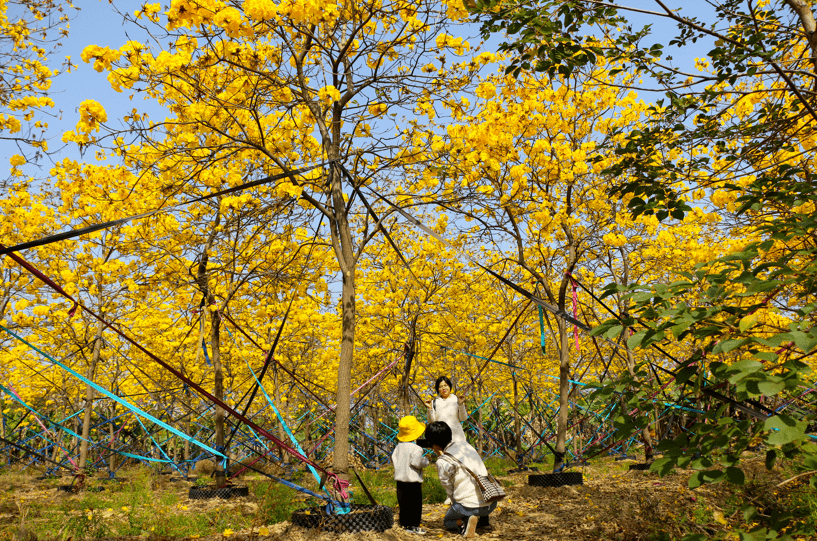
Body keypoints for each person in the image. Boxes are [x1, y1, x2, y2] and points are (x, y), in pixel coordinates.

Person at [425, 421, 497, 538]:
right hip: (491, 502)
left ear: (436, 446)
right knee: (475, 492)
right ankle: (483, 521)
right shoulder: (466, 446)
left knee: (447, 521)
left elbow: (449, 489)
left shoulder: (442, 461)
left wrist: (455, 505)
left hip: (469, 507)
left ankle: (464, 523)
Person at [391, 415, 431, 535]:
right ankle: (413, 526)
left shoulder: (398, 447)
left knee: (404, 504)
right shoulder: (417, 449)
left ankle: (404, 524)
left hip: (400, 481)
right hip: (413, 482)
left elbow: (394, 460)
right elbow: (417, 462)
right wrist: (427, 460)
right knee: (415, 505)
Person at [424, 376, 468, 443]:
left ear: (450, 386)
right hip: (441, 439)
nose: (443, 388)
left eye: (446, 385)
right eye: (440, 386)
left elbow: (463, 418)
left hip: (458, 439)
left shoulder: (456, 400)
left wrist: (461, 405)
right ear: (438, 389)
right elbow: (431, 422)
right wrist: (430, 408)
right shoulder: (434, 402)